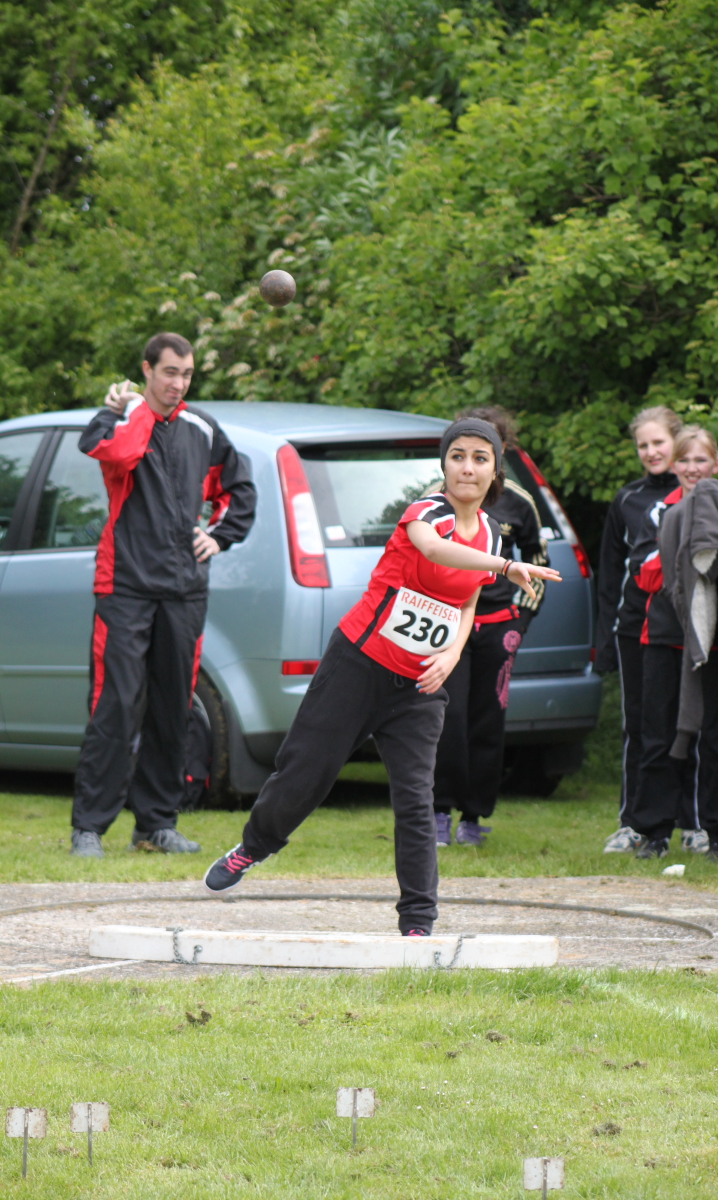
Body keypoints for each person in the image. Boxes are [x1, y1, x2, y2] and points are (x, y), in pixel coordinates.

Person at [203, 418, 561, 935]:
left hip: (419, 687)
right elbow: (435, 550)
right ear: (444, 465)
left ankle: (418, 921)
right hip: (359, 665)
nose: (467, 467)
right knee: (306, 772)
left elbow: (466, 603)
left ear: (494, 471)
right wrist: (505, 567)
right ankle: (254, 846)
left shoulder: (488, 533)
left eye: (480, 458)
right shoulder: (426, 512)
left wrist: (451, 655)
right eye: (457, 456)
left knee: (416, 799)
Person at [70, 332, 256, 858]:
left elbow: (239, 490)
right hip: (124, 586)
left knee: (174, 708)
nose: (179, 384)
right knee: (116, 705)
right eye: (170, 372)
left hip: (184, 590)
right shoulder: (120, 421)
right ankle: (89, 828)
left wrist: (219, 536)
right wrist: (131, 408)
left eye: (187, 374)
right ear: (147, 370)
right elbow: (115, 450)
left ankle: (155, 825)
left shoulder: (203, 428)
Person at [431, 406, 549, 847]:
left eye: (485, 450)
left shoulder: (520, 502)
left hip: (499, 625)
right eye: (462, 450)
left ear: (500, 453)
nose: (471, 464)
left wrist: (521, 620)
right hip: (447, 627)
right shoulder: (433, 501)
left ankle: (473, 816)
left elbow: (537, 563)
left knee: (487, 721)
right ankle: (437, 812)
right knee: (446, 718)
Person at [627, 426, 718, 858]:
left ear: (716, 464)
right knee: (658, 736)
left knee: (717, 737)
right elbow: (645, 576)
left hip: (714, 639)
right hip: (662, 635)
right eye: (685, 460)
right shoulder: (659, 511)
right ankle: (654, 831)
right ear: (673, 465)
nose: (692, 469)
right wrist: (685, 556)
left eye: (701, 460)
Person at [595, 405, 681, 853]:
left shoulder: (697, 492)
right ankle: (632, 821)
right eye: (643, 445)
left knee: (687, 725)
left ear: (677, 441)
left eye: (658, 442)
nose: (651, 451)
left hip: (683, 630)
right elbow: (610, 573)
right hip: (633, 627)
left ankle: (694, 822)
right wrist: (604, 639)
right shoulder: (626, 499)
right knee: (640, 725)